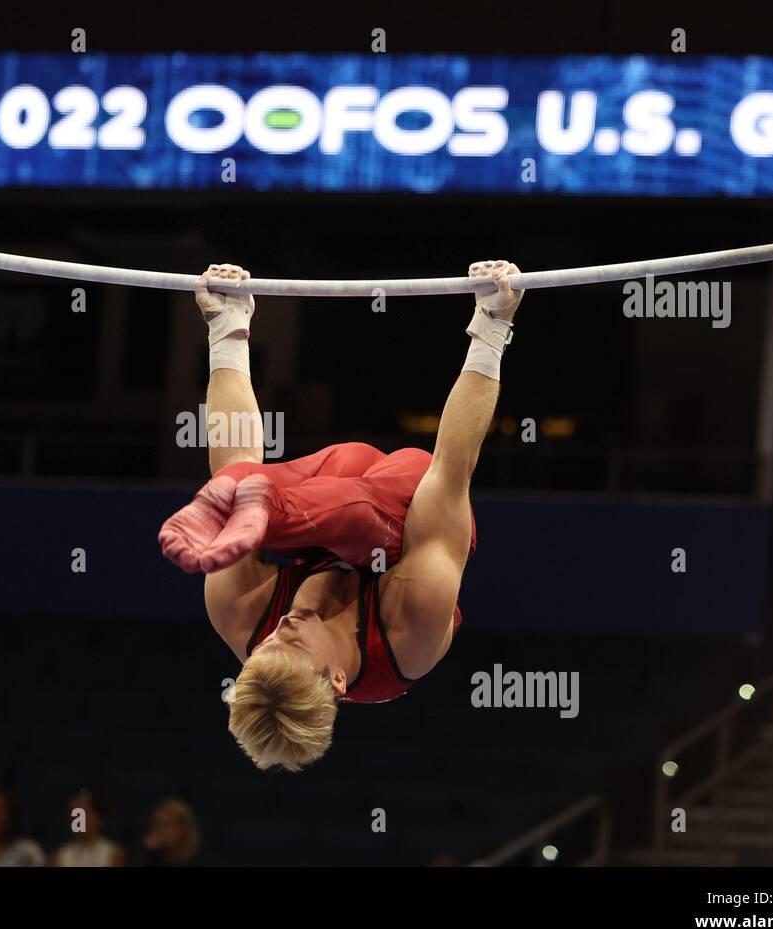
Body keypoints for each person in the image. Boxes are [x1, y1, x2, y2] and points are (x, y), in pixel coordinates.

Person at [160, 260, 523, 771]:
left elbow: (234, 456)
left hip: (325, 486)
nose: (279, 626)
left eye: (261, 649)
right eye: (289, 641)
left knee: (243, 479)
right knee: (357, 520)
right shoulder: (408, 636)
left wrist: (226, 326)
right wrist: (493, 323)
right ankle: (267, 506)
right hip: (402, 512)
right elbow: (449, 473)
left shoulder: (239, 615)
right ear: (335, 680)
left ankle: (261, 503)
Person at [51, 790, 126, 867]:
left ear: (98, 817)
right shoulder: (59, 856)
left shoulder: (114, 853)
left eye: (83, 814)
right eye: (74, 814)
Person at [137, 798, 201, 867]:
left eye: (165, 825)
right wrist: (145, 851)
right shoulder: (151, 857)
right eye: (156, 824)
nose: (159, 830)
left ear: (183, 828)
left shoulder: (198, 860)